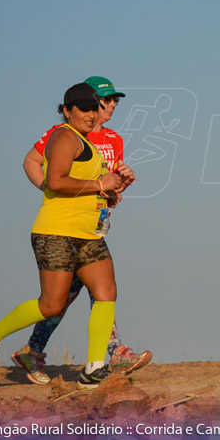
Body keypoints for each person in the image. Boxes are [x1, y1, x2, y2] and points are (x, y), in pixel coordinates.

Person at [0, 83, 135, 388]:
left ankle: (94, 368)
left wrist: (115, 188)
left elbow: (94, 191)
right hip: (57, 234)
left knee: (106, 292)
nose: (90, 114)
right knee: (51, 305)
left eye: (93, 108)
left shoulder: (91, 144)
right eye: (82, 108)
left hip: (89, 235)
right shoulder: (63, 137)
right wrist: (101, 185)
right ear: (67, 110)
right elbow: (55, 182)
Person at [11, 76, 152, 384]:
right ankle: (109, 352)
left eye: (114, 100)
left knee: (86, 293)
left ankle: (36, 350)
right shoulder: (62, 135)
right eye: (104, 100)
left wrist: (119, 183)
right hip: (63, 227)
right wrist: (49, 188)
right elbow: (32, 162)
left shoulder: (113, 139)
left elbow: (105, 184)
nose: (111, 105)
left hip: (93, 225)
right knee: (68, 297)